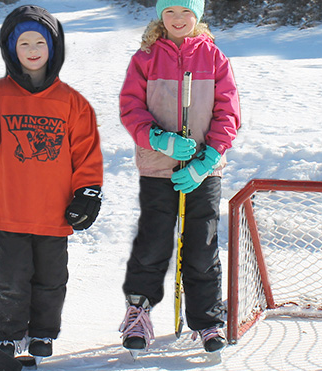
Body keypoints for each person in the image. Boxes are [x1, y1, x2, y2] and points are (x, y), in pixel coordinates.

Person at [0, 4, 103, 359]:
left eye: (40, 43)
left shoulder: (73, 103)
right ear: (10, 50)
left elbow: (86, 155)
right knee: (11, 278)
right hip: (11, 209)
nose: (32, 51)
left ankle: (43, 334)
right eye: (24, 44)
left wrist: (88, 193)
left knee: (51, 279)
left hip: (54, 211)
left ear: (54, 48)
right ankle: (7, 333)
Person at [117, 0, 240, 354]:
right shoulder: (145, 58)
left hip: (203, 169)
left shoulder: (214, 58)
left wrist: (209, 158)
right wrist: (158, 138)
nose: (178, 19)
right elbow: (131, 108)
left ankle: (206, 320)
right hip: (157, 166)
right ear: (161, 16)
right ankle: (138, 313)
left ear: (197, 16)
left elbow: (228, 111)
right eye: (170, 11)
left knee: (201, 247)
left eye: (186, 12)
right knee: (153, 243)